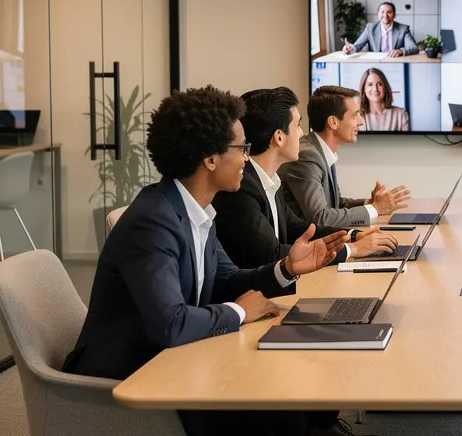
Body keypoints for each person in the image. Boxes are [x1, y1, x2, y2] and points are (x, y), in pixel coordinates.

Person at [62, 86, 351, 436]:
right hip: (132, 377)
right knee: (281, 408)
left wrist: (286, 268)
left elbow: (227, 279)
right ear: (211, 159)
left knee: (292, 398)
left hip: (176, 359)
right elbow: (171, 324)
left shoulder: (196, 210)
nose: (248, 156)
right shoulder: (153, 221)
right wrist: (241, 312)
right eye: (241, 148)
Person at [214, 87, 401, 269]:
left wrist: (352, 235)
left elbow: (299, 227)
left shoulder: (269, 180)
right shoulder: (241, 187)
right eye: (297, 126)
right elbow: (271, 254)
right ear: (279, 137)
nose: (302, 134)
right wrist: (351, 249)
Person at [280, 85, 411, 228]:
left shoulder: (319, 150)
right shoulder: (308, 156)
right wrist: (376, 209)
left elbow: (336, 204)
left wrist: (371, 203)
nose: (361, 121)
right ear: (333, 122)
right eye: (355, 115)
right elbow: (321, 217)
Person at [343, 2, 418, 57]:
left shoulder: (403, 29)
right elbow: (357, 46)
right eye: (382, 12)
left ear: (394, 15)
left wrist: (401, 51)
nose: (385, 15)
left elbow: (414, 47)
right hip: (376, 64)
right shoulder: (370, 28)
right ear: (378, 14)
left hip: (396, 62)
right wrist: (350, 48)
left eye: (389, 12)